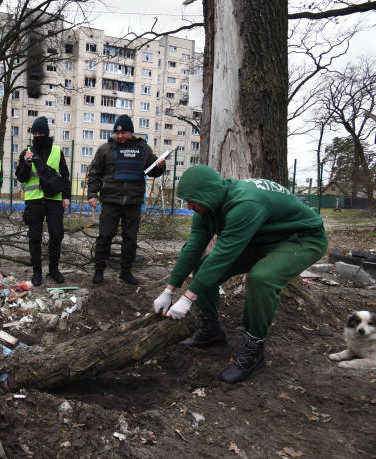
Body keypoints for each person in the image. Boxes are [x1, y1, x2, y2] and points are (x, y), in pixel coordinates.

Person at [153, 165, 328, 383]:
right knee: (203, 268)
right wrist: (169, 290)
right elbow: (192, 248)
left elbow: (223, 255)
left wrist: (188, 298)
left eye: (191, 200)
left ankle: (253, 351)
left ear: (207, 194)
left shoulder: (245, 204)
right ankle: (211, 331)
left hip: (300, 239)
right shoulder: (206, 208)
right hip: (260, 238)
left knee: (262, 278)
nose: (188, 206)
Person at [87, 114, 166, 285]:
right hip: (110, 201)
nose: (120, 136)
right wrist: (92, 194)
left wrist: (161, 166)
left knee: (130, 238)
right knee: (105, 236)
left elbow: (153, 171)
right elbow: (94, 174)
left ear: (131, 132)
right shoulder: (105, 149)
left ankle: (126, 272)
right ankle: (99, 271)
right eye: (117, 133)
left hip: (133, 202)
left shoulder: (143, 149)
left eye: (124, 133)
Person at [15, 116, 71, 286]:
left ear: (47, 133)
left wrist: (66, 197)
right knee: (34, 237)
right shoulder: (27, 152)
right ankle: (37, 272)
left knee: (56, 235)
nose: (38, 135)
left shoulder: (56, 151)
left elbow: (65, 176)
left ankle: (54, 270)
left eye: (41, 132)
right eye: (35, 132)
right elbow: (21, 178)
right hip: (34, 201)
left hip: (54, 200)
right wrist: (25, 163)